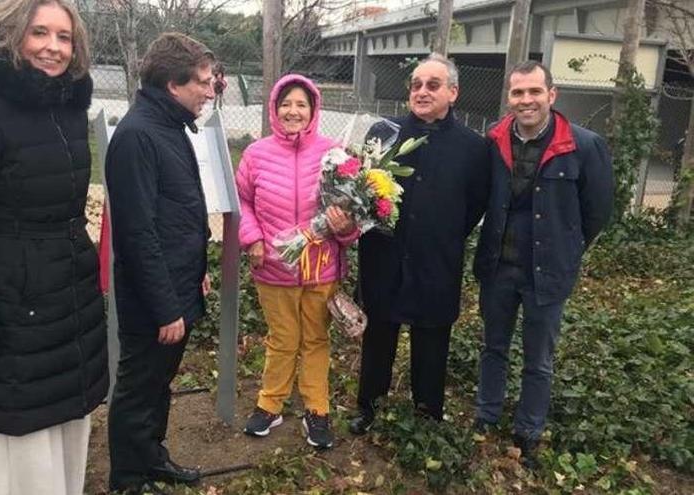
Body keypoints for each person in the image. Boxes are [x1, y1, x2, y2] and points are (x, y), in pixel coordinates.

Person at [0, 1, 108, 494]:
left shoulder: (69, 111)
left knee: (70, 439)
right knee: (25, 459)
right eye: (40, 33)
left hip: (68, 302)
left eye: (64, 37)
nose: (53, 47)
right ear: (10, 35)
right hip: (11, 311)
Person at [473, 61, 613, 469]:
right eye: (518, 93)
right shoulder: (494, 142)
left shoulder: (584, 146)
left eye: (535, 91)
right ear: (509, 98)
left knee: (539, 359)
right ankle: (486, 416)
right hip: (499, 267)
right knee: (492, 348)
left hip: (547, 274)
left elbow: (598, 211)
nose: (526, 100)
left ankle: (529, 432)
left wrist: (567, 249)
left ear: (551, 95)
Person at [349, 53, 491, 434]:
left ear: (453, 92)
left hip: (436, 259)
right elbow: (364, 190)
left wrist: (442, 232)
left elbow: (476, 203)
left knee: (432, 339)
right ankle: (370, 406)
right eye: (416, 84)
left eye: (432, 84)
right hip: (384, 255)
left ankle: (428, 411)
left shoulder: (474, 148)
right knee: (379, 335)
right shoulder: (383, 133)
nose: (422, 91)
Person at [105, 32, 215, 494]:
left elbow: (179, 213)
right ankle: (127, 479)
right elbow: (137, 235)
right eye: (204, 83)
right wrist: (166, 307)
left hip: (177, 286)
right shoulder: (136, 137)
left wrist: (197, 271)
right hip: (155, 299)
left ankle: (151, 457)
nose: (210, 91)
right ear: (173, 84)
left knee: (159, 383)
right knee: (138, 387)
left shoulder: (170, 126)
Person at [235, 74, 357, 449]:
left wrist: (345, 226)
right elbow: (241, 202)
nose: (293, 111)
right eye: (286, 103)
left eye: (301, 104)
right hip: (274, 266)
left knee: (316, 339)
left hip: (320, 268)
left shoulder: (334, 153)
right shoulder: (256, 154)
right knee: (283, 339)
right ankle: (270, 405)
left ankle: (317, 410)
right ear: (274, 108)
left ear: (313, 109)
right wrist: (251, 238)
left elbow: (354, 210)